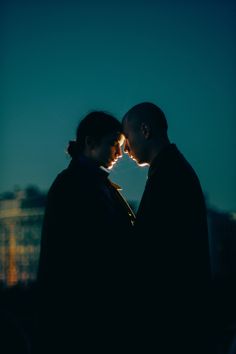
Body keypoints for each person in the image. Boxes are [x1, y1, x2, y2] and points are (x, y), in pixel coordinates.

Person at [34, 111, 135, 353]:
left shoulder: (82, 183)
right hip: (86, 313)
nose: (119, 154)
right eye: (114, 144)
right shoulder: (77, 186)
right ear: (90, 142)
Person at [122, 102, 213, 353]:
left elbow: (150, 247)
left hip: (173, 318)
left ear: (145, 130)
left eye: (127, 138)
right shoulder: (173, 169)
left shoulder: (168, 175)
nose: (125, 148)